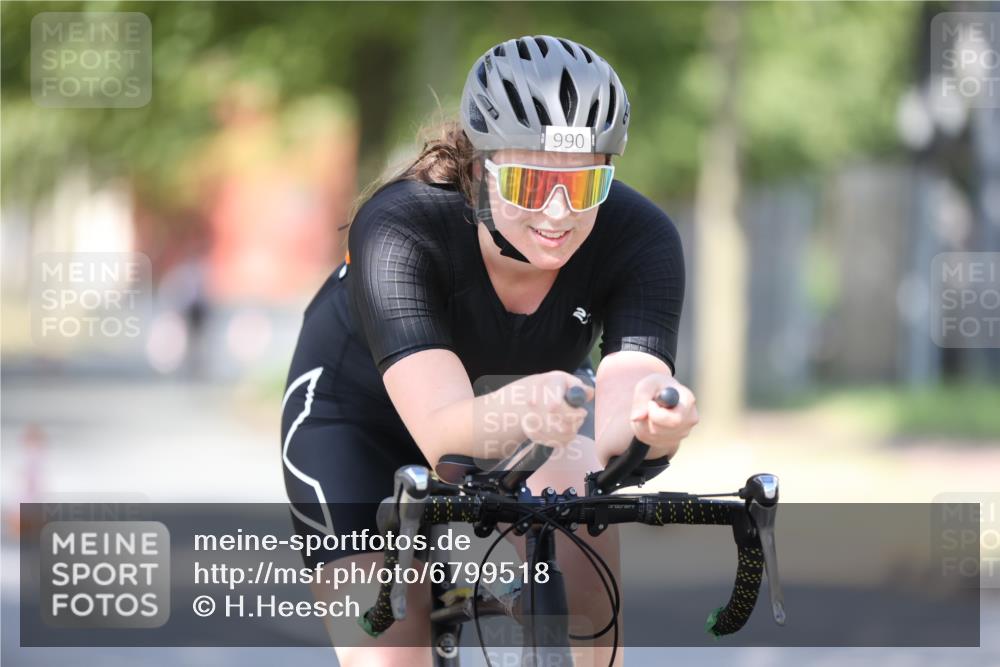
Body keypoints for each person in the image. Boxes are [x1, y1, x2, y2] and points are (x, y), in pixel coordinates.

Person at [281, 34, 699, 667]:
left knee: (590, 603)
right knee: (392, 648)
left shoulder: (641, 238)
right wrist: (522, 406)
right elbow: (444, 432)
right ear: (478, 170)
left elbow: (624, 404)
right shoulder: (400, 225)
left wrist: (653, 425)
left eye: (585, 186)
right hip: (361, 421)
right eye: (530, 184)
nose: (558, 214)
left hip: (537, 410)